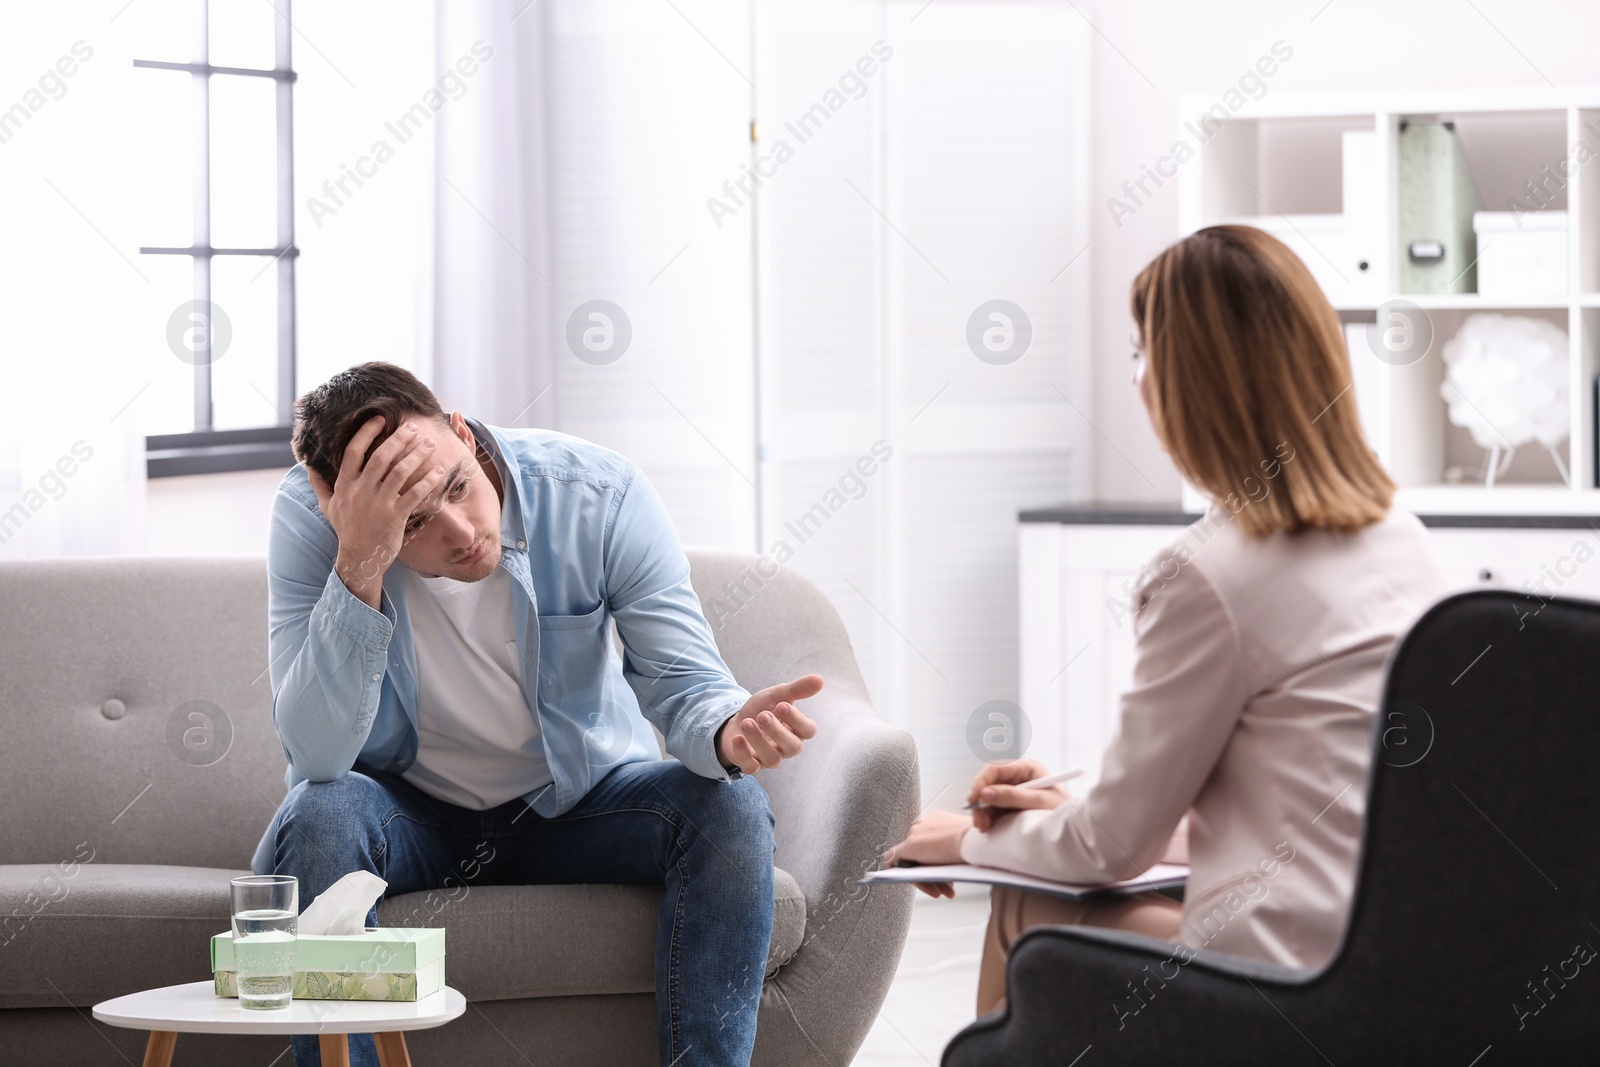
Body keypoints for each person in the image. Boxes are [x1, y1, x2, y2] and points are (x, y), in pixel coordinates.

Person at [884, 224, 1449, 1016]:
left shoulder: (1208, 573)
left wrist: (966, 842)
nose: (1138, 381)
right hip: (1408, 955)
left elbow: (1112, 849)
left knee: (1025, 907)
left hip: (1295, 982)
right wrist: (1074, 814)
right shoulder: (1400, 535)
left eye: (1143, 353)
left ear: (1193, 382)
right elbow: (1303, 797)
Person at [252, 362, 822, 1067]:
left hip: (581, 807)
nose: (462, 530)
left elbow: (686, 682)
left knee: (731, 807)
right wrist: (361, 561)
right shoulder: (315, 526)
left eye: (457, 485)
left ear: (460, 430)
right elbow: (316, 756)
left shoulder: (597, 494)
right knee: (321, 810)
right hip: (414, 817)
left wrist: (726, 729)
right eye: (416, 521)